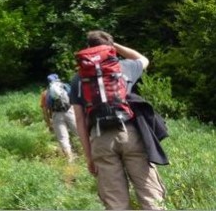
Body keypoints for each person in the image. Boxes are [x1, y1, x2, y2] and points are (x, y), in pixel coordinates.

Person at [69, 30, 167, 210]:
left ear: (88, 49)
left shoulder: (77, 79)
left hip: (100, 139)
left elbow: (79, 120)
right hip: (130, 134)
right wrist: (115, 47)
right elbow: (143, 59)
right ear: (110, 48)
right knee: (150, 196)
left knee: (116, 203)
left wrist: (89, 156)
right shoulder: (124, 67)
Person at [40, 73, 78, 162]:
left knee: (63, 138)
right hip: (69, 111)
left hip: (56, 115)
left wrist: (49, 123)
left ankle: (70, 159)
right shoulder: (65, 87)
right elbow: (75, 99)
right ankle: (89, 153)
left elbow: (45, 110)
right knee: (79, 133)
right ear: (58, 79)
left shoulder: (46, 93)